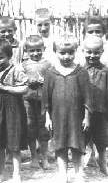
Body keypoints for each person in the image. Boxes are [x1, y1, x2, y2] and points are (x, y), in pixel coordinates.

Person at [42, 35, 92, 183]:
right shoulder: (51, 73)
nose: (66, 56)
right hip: (57, 116)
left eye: (70, 52)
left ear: (76, 51)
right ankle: (62, 174)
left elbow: (88, 97)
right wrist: (47, 118)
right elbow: (46, 98)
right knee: (60, 145)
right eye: (62, 53)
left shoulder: (81, 72)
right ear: (55, 52)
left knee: (77, 145)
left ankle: (78, 172)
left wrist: (87, 117)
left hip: (76, 117)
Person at [0, 38, 28, 183]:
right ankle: (1, 173)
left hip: (13, 110)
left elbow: (25, 88)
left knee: (14, 142)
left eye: (1, 58)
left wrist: (6, 88)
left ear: (9, 56)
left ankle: (17, 173)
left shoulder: (16, 70)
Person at [22, 35, 51, 169]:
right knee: (30, 128)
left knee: (43, 129)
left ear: (43, 49)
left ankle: (44, 158)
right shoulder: (23, 65)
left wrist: (44, 81)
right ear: (26, 51)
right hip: (28, 101)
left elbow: (52, 81)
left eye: (38, 50)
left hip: (43, 102)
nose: (35, 53)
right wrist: (28, 81)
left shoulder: (48, 64)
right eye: (31, 51)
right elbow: (20, 81)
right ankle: (33, 156)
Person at [83, 36, 108, 175]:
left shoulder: (105, 71)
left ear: (102, 51)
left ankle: (102, 163)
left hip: (101, 111)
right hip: (83, 111)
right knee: (82, 139)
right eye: (89, 52)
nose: (92, 55)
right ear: (83, 51)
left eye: (96, 52)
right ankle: (80, 167)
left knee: (102, 139)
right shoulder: (80, 70)